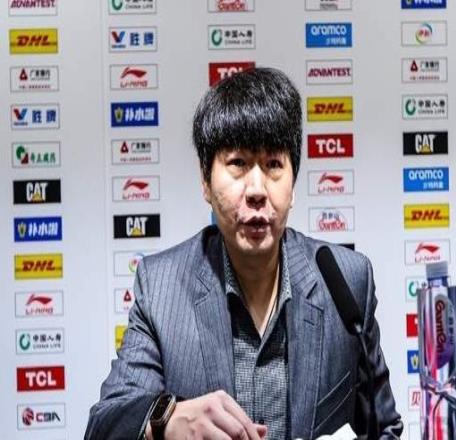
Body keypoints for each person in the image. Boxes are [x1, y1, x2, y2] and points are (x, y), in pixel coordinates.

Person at [85, 67, 403, 440]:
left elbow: (385, 429)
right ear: (206, 181)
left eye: (273, 165)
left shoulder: (346, 282)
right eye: (238, 163)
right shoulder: (162, 287)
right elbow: (104, 425)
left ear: (293, 184)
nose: (256, 189)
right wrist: (166, 419)